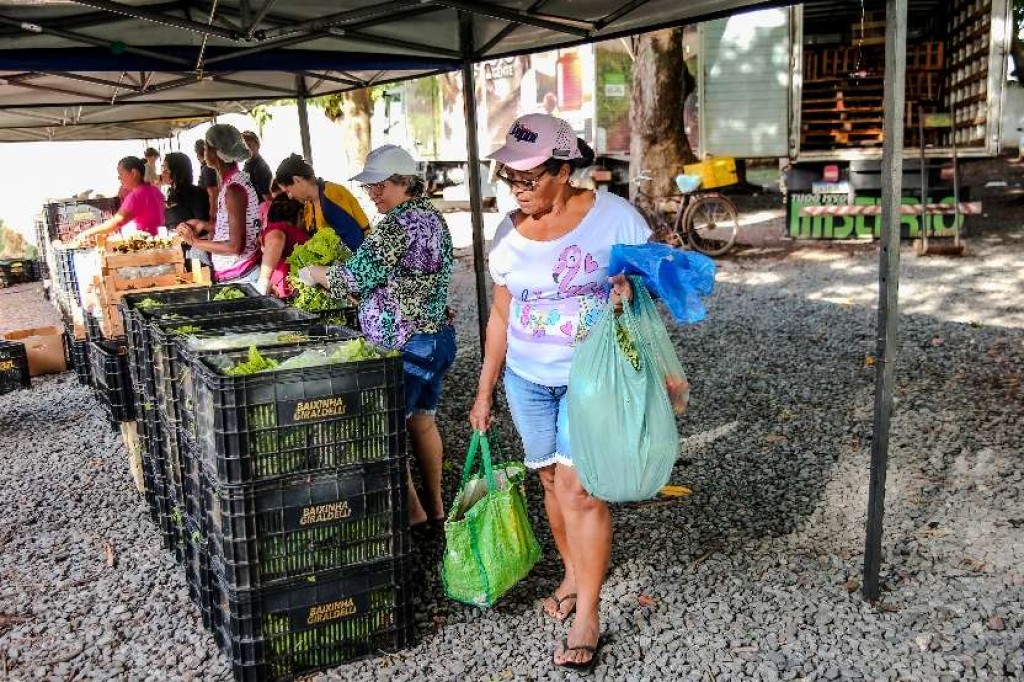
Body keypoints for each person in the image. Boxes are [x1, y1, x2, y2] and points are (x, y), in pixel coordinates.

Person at [468, 114, 650, 672]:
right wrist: (484, 389)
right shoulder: (507, 232)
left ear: (564, 171)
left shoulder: (614, 218)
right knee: (548, 479)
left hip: (589, 377)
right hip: (526, 379)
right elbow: (502, 315)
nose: (517, 190)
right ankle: (572, 572)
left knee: (580, 490)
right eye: (511, 179)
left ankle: (588, 614)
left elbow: (652, 288)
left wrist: (631, 292)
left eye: (529, 179)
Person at [295, 145, 455, 528]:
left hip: (404, 344)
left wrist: (314, 273)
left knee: (387, 430)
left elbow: (352, 277)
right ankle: (436, 507)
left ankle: (414, 514)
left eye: (379, 186)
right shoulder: (433, 217)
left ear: (404, 182)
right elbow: (409, 278)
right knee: (422, 422)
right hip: (437, 338)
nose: (372, 194)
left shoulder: (395, 226)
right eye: (370, 187)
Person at [175, 124, 262, 284]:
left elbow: (235, 247)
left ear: (215, 152)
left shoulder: (234, 189)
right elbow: (237, 227)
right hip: (239, 274)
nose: (204, 151)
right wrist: (204, 225)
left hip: (242, 277)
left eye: (206, 147)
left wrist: (194, 242)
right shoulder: (234, 182)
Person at [274, 154, 369, 253]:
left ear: (297, 180)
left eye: (288, 191)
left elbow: (354, 241)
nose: (290, 196)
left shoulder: (331, 195)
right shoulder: (309, 204)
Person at [75, 156, 165, 243]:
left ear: (134, 173)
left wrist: (85, 234)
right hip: (158, 240)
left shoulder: (136, 196)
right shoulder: (155, 191)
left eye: (121, 174)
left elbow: (116, 222)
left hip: (143, 243)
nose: (119, 178)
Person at [255, 192, 309, 297]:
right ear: (300, 213)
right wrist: (264, 281)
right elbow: (275, 241)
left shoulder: (275, 228)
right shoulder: (279, 229)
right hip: (285, 290)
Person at [162, 151, 210, 228]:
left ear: (176, 171)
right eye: (162, 168)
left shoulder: (195, 194)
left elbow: (203, 224)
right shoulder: (172, 193)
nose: (163, 173)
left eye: (166, 169)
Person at [241, 130, 274, 202]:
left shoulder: (260, 167)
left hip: (261, 206)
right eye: (243, 146)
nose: (246, 148)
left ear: (257, 145)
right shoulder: (247, 164)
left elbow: (267, 197)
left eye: (249, 145)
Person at [195, 139, 219, 222]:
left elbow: (213, 194)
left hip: (210, 211)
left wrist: (212, 216)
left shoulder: (207, 169)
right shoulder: (209, 168)